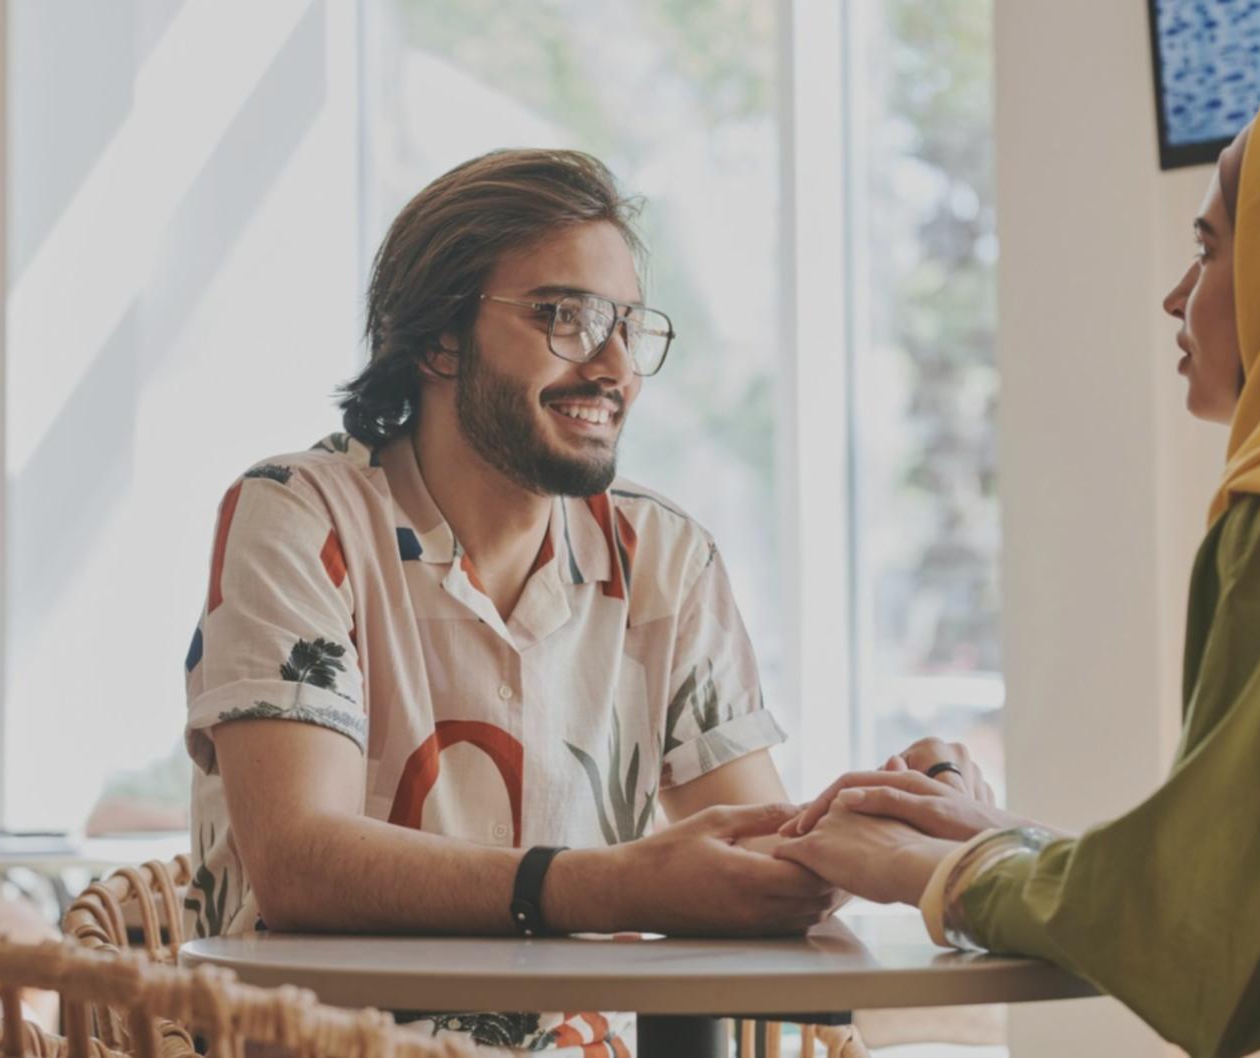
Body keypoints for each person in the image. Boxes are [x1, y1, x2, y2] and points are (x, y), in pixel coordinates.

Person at [182, 148, 986, 1054]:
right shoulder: (299, 513)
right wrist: (616, 885)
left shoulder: (665, 558)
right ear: (439, 337)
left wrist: (872, 817)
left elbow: (748, 862)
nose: (615, 367)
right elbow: (297, 863)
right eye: (565, 316)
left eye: (628, 327)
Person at [773, 76, 1260, 1058]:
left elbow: (1209, 938)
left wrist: (945, 873)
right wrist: (1019, 846)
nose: (1176, 294)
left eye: (1208, 245)